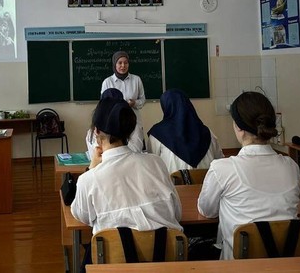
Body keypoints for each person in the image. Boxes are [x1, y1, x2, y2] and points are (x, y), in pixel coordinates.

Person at [71, 97, 182, 271]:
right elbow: (176, 212)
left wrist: (91, 169)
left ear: (96, 132)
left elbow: (81, 216)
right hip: (166, 264)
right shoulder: (156, 163)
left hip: (113, 266)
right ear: (130, 130)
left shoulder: (90, 179)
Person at [197, 91, 300, 260]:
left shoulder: (223, 168)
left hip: (240, 266)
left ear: (238, 127)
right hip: (287, 263)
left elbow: (206, 210)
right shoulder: (291, 166)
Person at [148, 89, 223, 173]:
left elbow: (152, 163)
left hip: (174, 183)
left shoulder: (157, 132)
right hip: (205, 183)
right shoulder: (206, 131)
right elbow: (219, 159)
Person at [101, 51, 145, 152]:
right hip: (115, 124)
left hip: (134, 122)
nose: (123, 66)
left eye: (126, 63)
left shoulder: (136, 80)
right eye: (119, 63)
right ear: (115, 64)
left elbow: (142, 100)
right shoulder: (108, 82)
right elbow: (104, 104)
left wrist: (134, 103)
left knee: (136, 152)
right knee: (119, 152)